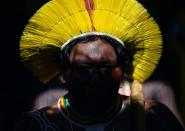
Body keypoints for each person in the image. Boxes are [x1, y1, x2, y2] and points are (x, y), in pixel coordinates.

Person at [14, 0, 184, 131]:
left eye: (106, 66)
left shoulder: (153, 118)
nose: (95, 77)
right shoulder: (35, 125)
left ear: (123, 71)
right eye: (83, 68)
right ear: (63, 75)